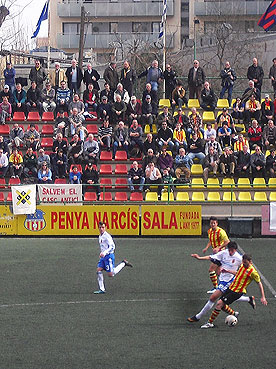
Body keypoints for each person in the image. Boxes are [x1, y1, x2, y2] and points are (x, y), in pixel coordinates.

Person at [187, 241, 253, 324]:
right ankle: (245, 302)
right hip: (222, 280)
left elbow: (247, 267)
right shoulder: (224, 253)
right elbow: (211, 257)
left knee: (213, 298)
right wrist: (199, 258)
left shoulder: (239, 258)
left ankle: (198, 317)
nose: (230, 252)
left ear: (235, 250)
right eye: (229, 250)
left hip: (229, 281)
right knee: (222, 302)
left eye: (232, 250)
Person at [200, 253, 267, 329]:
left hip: (237, 292)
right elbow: (238, 273)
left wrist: (263, 297)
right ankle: (234, 313)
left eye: (245, 262)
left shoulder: (253, 272)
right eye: (243, 261)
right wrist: (227, 271)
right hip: (231, 288)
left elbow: (259, 283)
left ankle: (210, 323)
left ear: (250, 262)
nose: (243, 263)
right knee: (221, 305)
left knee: (219, 304)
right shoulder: (242, 266)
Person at [94, 221, 133, 294]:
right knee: (98, 270)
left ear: (105, 228)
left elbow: (112, 246)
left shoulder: (107, 236)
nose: (101, 229)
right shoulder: (100, 236)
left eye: (103, 227)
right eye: (100, 227)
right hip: (103, 257)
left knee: (111, 274)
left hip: (109, 256)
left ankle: (123, 263)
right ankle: (102, 289)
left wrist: (105, 252)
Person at [203, 216, 230, 293]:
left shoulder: (221, 232)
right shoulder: (209, 231)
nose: (212, 224)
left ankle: (216, 288)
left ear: (217, 223)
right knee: (219, 272)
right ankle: (227, 285)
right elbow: (210, 241)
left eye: (214, 223)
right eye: (211, 223)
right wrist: (206, 248)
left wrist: (219, 247)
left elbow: (227, 241)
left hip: (220, 253)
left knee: (211, 270)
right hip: (215, 253)